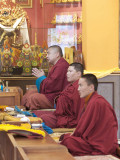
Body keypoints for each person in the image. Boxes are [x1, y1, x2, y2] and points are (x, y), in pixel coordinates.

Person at [60, 74, 118, 156]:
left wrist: (74, 135)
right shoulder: (91, 100)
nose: (78, 89)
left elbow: (83, 128)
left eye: (80, 85)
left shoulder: (97, 102)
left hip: (101, 145)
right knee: (67, 139)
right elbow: (86, 127)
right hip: (95, 140)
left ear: (91, 87)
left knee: (68, 141)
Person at [33, 62, 84, 128]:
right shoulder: (70, 85)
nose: (67, 74)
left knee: (44, 118)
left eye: (70, 71)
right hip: (60, 114)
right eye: (67, 71)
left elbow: (77, 111)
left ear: (78, 74)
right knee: (35, 113)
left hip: (68, 119)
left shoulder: (79, 88)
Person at [21, 45, 69, 109]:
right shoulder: (56, 65)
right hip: (52, 93)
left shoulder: (62, 66)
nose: (46, 56)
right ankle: (22, 114)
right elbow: (52, 82)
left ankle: (33, 116)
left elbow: (53, 86)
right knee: (29, 93)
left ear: (57, 54)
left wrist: (42, 77)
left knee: (33, 98)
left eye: (48, 53)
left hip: (57, 97)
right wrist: (43, 77)